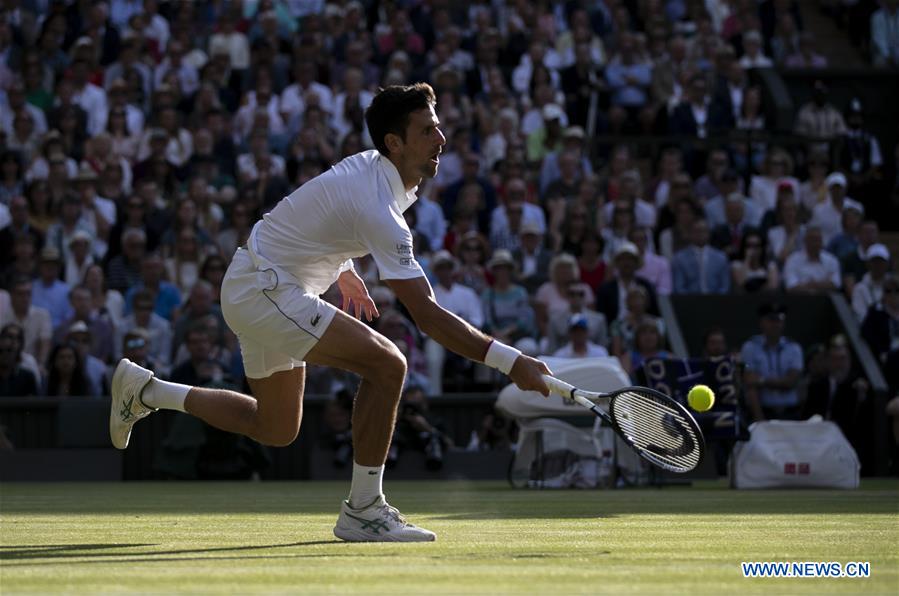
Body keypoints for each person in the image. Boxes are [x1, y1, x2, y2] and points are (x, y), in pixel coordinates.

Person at [109, 84, 551, 542]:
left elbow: (316, 212)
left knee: (275, 427)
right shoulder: (379, 209)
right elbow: (428, 316)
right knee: (387, 364)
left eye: (438, 127)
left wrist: (342, 267)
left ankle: (147, 391)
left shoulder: (369, 170)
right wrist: (510, 361)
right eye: (427, 130)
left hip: (256, 281)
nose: (441, 139)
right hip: (266, 288)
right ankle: (364, 509)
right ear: (394, 143)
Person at [741, 303, 804, 421]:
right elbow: (750, 382)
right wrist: (759, 418)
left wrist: (761, 380)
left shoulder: (794, 348)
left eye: (779, 320)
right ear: (761, 322)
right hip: (763, 411)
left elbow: (791, 382)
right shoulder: (750, 347)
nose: (775, 324)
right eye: (771, 320)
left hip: (790, 412)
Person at [672, 219, 731, 295]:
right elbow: (679, 287)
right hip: (689, 302)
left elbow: (725, 287)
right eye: (697, 231)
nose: (700, 234)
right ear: (690, 233)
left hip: (716, 302)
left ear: (709, 233)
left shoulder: (721, 258)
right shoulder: (679, 258)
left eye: (704, 231)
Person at [783, 226, 841, 293]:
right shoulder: (792, 260)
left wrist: (811, 285)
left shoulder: (832, 260)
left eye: (818, 240)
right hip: (800, 299)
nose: (815, 243)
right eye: (812, 240)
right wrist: (822, 285)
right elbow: (791, 286)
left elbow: (836, 284)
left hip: (826, 300)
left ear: (822, 242)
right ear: (805, 241)